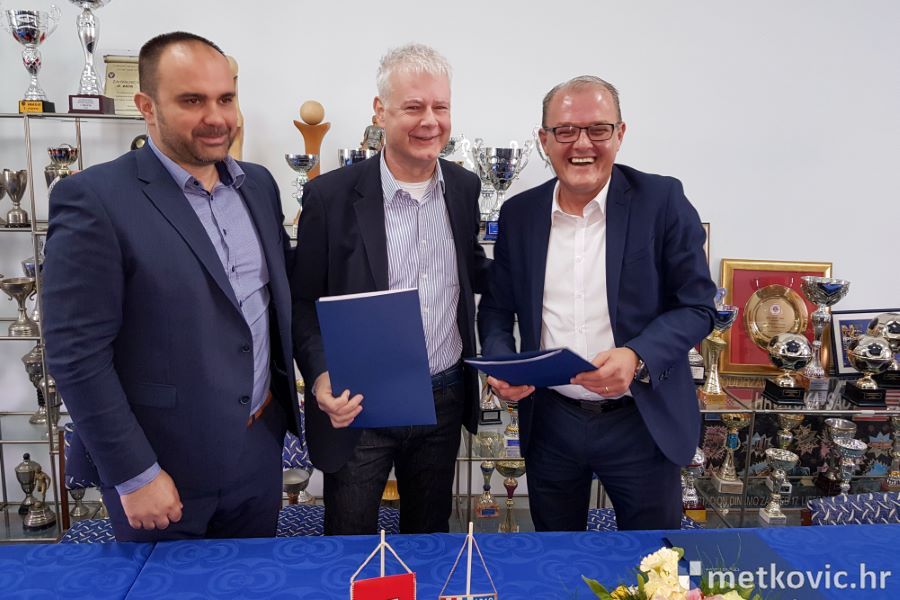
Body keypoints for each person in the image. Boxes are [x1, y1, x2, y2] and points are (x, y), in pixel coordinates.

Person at [41, 31, 299, 542]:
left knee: (253, 581)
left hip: (257, 453)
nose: (216, 117)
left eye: (225, 98)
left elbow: (268, 308)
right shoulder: (93, 198)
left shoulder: (259, 185)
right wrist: (134, 474)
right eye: (192, 100)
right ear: (147, 106)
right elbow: (75, 353)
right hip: (162, 470)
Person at [478, 75, 716, 531]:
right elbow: (495, 309)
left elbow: (698, 305)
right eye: (566, 130)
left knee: (652, 559)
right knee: (558, 556)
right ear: (544, 140)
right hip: (552, 422)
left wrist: (637, 355)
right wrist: (503, 363)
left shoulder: (661, 201)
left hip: (641, 420)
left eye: (598, 129)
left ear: (620, 134)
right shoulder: (519, 215)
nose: (582, 144)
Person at [292, 43, 489, 535]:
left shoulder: (465, 188)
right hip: (360, 400)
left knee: (429, 537)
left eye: (440, 107)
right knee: (351, 543)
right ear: (380, 111)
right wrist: (319, 373)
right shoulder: (329, 196)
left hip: (443, 397)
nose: (430, 121)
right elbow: (302, 302)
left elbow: (471, 271)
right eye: (413, 107)